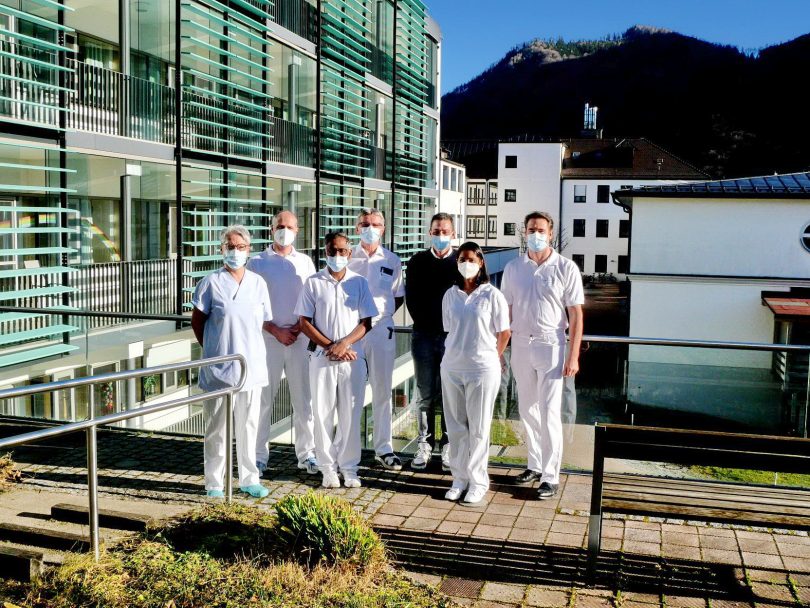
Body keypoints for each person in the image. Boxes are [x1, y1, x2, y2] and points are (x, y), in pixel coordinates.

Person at [501, 211, 584, 500]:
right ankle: (534, 464)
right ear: (524, 233)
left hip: (551, 346)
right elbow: (505, 312)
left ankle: (550, 476)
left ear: (550, 234)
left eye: (540, 230)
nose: (535, 234)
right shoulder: (513, 268)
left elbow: (576, 315)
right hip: (520, 345)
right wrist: (500, 350)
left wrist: (573, 356)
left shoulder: (565, 267)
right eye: (530, 230)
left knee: (549, 413)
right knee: (527, 410)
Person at [191, 225, 273, 499]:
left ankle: (250, 479)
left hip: (251, 368)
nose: (235, 251)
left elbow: (261, 323)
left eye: (240, 247)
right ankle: (214, 483)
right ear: (221, 249)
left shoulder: (258, 284)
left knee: (249, 428)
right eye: (230, 246)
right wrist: (214, 351)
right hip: (219, 370)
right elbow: (198, 323)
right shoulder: (210, 283)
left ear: (249, 250)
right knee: (217, 429)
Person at [295, 231, 377, 489]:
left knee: (350, 414)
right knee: (322, 414)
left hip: (352, 358)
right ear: (326, 252)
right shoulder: (313, 282)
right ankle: (328, 468)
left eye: (342, 251)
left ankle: (349, 468)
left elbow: (367, 322)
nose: (337, 255)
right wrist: (331, 346)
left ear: (349, 253)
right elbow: (304, 322)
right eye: (333, 251)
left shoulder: (359, 282)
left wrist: (344, 344)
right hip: (322, 358)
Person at [247, 210, 318, 476]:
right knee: (263, 400)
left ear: (297, 231)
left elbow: (312, 301)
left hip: (299, 340)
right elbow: (251, 306)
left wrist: (299, 329)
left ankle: (307, 455)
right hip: (268, 339)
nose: (284, 231)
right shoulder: (257, 263)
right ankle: (258, 457)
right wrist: (275, 330)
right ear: (271, 229)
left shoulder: (306, 263)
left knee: (304, 401)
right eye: (280, 226)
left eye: (289, 226)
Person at [441, 242, 511, 505]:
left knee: (479, 429)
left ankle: (478, 481)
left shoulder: (492, 295)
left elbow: (504, 332)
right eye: (462, 259)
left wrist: (493, 356)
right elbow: (450, 329)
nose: (466, 263)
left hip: (482, 369)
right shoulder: (450, 295)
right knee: (456, 428)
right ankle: (459, 479)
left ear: (481, 262)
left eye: (471, 259)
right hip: (452, 368)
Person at [348, 208, 405, 471]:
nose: (369, 228)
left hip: (381, 330)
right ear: (357, 228)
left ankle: (384, 449)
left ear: (383, 228)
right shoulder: (347, 257)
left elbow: (398, 296)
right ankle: (347, 451)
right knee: (350, 392)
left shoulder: (392, 260)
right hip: (352, 332)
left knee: (382, 390)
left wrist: (381, 316)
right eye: (365, 224)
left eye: (375, 224)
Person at [405, 212, 459, 471]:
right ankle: (424, 444)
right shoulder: (417, 261)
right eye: (436, 231)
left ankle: (448, 445)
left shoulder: (461, 261)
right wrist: (429, 324)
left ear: (453, 234)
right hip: (424, 336)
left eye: (445, 231)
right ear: (430, 233)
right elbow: (412, 300)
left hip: (452, 338)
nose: (440, 235)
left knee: (450, 395)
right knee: (425, 395)